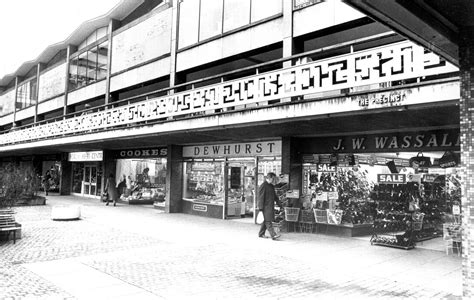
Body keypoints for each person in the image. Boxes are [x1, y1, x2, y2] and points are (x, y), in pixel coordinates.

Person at [257, 172, 282, 240]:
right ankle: (273, 235)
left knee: (266, 220)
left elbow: (275, 196)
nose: (274, 181)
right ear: (270, 178)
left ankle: (261, 233)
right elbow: (261, 198)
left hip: (269, 206)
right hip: (265, 207)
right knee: (268, 221)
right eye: (273, 179)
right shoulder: (263, 186)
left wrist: (279, 204)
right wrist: (260, 208)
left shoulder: (271, 186)